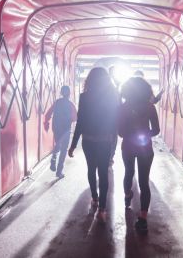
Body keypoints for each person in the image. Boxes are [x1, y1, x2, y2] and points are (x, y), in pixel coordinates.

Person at [68, 67, 119, 222]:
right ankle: (103, 209)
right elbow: (115, 120)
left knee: (91, 169)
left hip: (88, 140)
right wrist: (114, 138)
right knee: (103, 172)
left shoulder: (85, 97)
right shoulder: (113, 95)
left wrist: (73, 144)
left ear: (89, 80)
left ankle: (95, 198)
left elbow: (80, 122)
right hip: (105, 140)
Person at [118, 77, 160, 233]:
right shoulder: (150, 107)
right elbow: (156, 130)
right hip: (145, 148)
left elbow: (120, 132)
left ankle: (128, 195)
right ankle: (143, 218)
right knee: (144, 181)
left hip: (128, 146)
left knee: (128, 172)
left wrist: (132, 133)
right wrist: (144, 133)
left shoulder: (123, 107)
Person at [44, 85, 77, 179]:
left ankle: (53, 157)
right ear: (69, 93)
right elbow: (75, 118)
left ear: (61, 93)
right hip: (66, 129)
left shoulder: (57, 102)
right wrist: (69, 119)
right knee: (63, 150)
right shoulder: (71, 104)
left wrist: (47, 122)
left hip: (56, 127)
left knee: (58, 143)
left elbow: (48, 114)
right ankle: (59, 171)